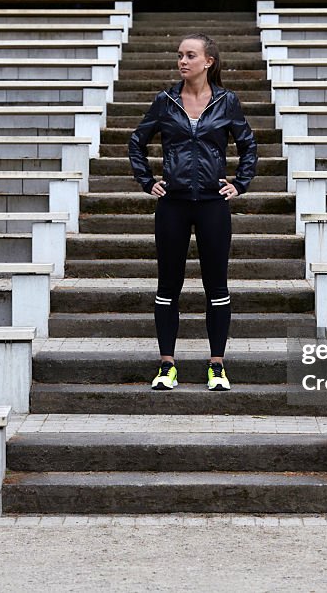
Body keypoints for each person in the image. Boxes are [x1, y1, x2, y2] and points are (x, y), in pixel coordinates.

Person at [127, 33, 258, 392]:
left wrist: (239, 183)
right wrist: (147, 180)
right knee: (168, 286)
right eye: (180, 55)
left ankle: (217, 365)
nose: (182, 61)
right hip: (173, 204)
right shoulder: (165, 101)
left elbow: (248, 145)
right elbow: (137, 142)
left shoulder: (227, 102)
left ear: (208, 61)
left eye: (190, 55)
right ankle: (166, 364)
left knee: (217, 287)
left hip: (214, 205)